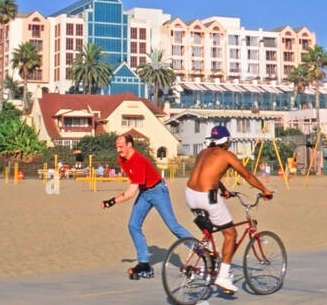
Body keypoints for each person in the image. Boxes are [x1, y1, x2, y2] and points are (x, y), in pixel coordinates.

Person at [185, 125, 274, 295]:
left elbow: (210, 175)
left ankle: (208, 266)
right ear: (226, 141)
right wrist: (265, 190)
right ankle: (223, 276)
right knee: (231, 234)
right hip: (206, 196)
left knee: (209, 231)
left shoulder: (202, 153)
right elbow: (247, 175)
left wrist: (224, 189)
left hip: (190, 195)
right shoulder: (226, 155)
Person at [103, 133, 196, 280]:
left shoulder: (139, 161)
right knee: (133, 225)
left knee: (173, 226)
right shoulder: (121, 159)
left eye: (121, 147)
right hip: (145, 192)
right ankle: (144, 264)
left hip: (158, 191)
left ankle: (201, 251)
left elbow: (131, 192)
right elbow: (134, 183)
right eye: (117, 147)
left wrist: (112, 201)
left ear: (129, 145)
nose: (118, 150)